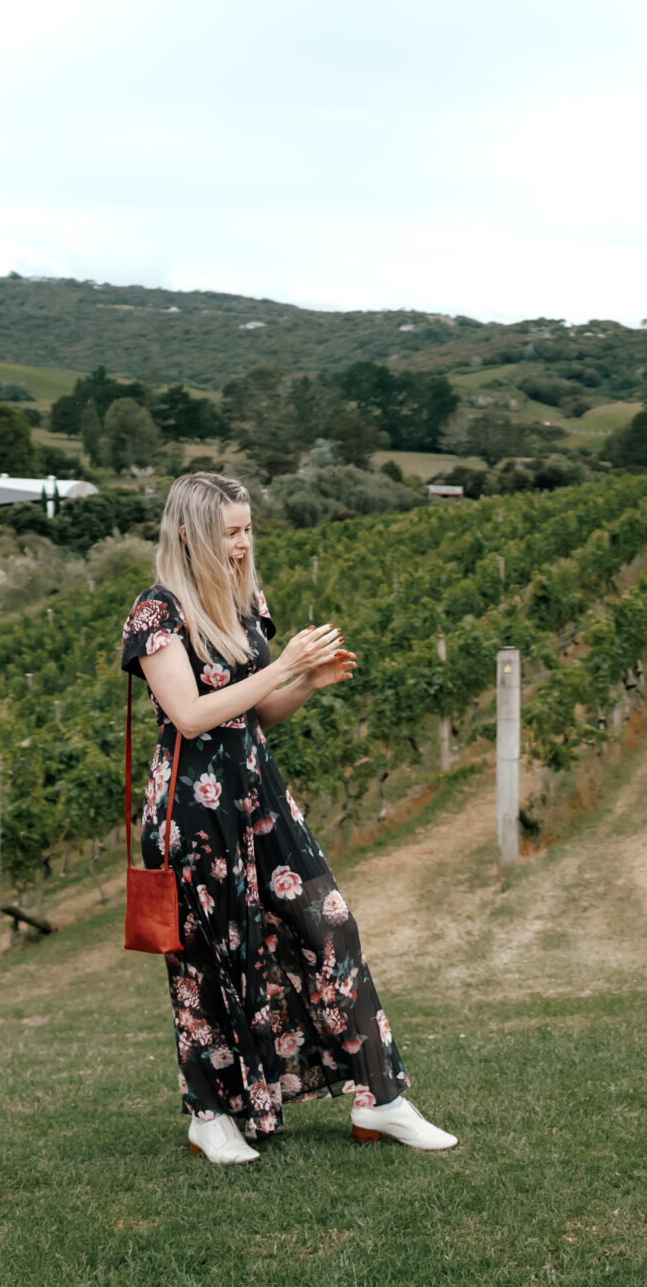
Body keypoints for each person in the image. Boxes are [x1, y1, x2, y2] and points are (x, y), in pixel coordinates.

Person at [120, 472, 457, 1164]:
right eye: (231, 532)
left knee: (330, 925)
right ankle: (209, 1115)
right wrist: (283, 668)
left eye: (248, 529)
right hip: (191, 808)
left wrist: (305, 681)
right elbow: (190, 714)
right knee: (209, 958)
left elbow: (252, 711)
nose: (244, 544)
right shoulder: (156, 612)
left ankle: (382, 1099)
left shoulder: (244, 601)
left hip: (258, 794)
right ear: (188, 532)